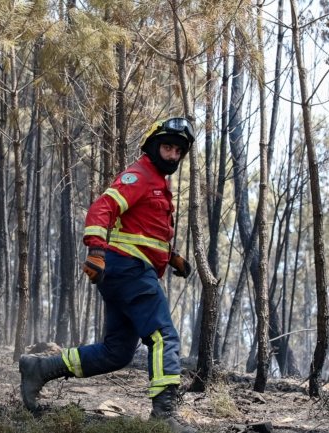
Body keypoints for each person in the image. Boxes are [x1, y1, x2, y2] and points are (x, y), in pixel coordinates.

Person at [19, 117, 197, 433]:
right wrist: (96, 250)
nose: (172, 155)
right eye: (167, 147)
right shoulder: (140, 175)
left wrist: (171, 257)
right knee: (163, 336)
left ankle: (40, 368)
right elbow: (102, 208)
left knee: (116, 352)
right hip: (128, 268)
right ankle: (164, 416)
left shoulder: (156, 181)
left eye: (177, 151)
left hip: (128, 269)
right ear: (153, 147)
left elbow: (140, 231)